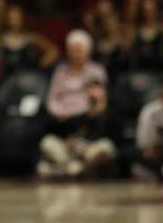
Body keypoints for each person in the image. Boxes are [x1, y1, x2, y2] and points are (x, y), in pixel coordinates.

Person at [37, 29, 115, 179]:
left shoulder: (96, 72)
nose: (75, 54)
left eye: (79, 50)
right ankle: (71, 167)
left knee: (104, 149)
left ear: (88, 51)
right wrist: (61, 114)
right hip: (64, 126)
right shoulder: (60, 72)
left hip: (88, 131)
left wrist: (92, 110)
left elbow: (101, 106)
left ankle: (69, 168)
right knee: (47, 143)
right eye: (72, 50)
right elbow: (52, 100)